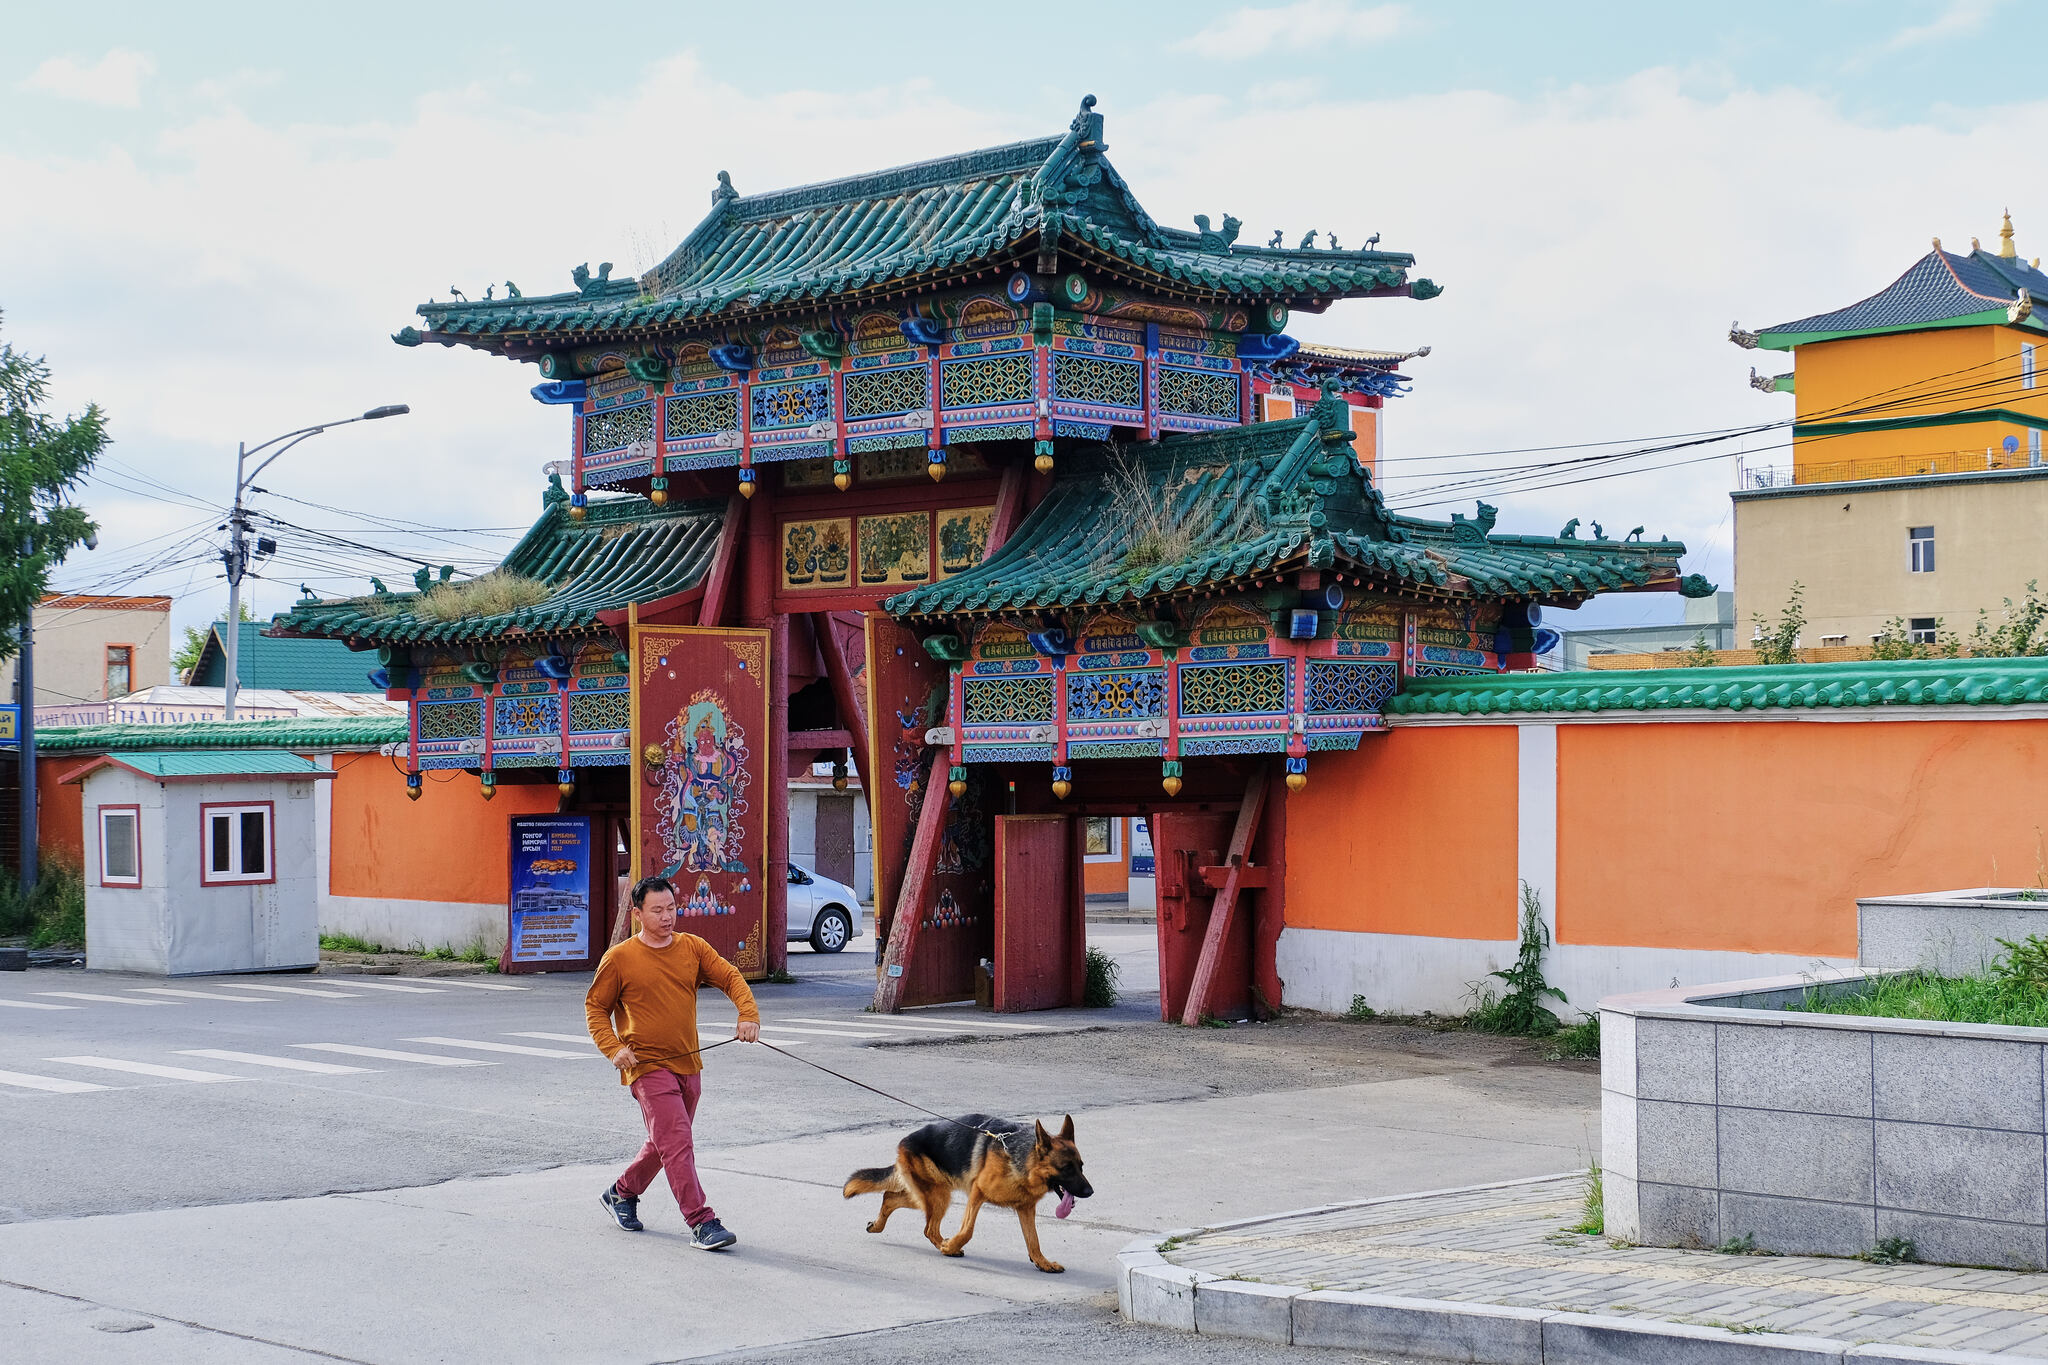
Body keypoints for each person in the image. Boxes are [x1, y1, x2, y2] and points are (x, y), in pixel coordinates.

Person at [585, 874, 760, 1250]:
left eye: (671, 908)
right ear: (637, 914)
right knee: (677, 1142)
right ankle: (702, 1222)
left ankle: (621, 1193)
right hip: (646, 1067)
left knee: (664, 1143)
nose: (667, 917)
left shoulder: (692, 948)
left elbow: (730, 976)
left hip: (689, 1064)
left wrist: (747, 1014)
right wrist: (614, 1049)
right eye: (657, 910)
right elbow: (595, 1008)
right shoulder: (619, 959)